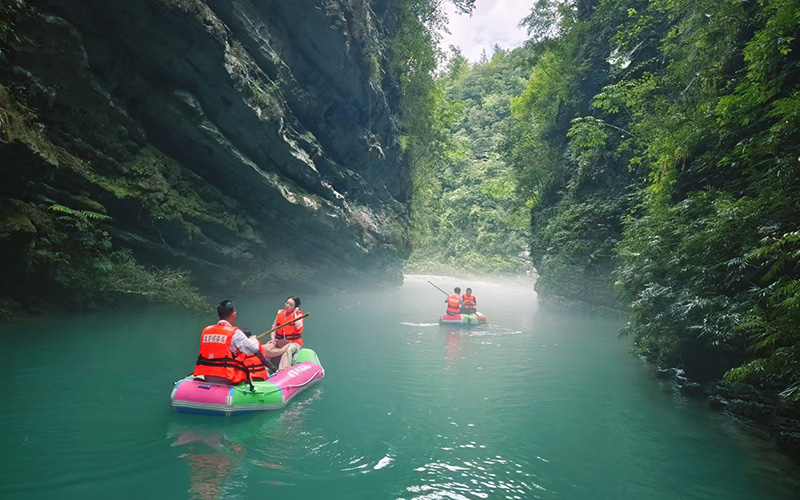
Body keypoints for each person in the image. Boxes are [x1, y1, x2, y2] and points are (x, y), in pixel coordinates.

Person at [193, 300, 283, 384]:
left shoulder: (206, 330)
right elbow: (253, 349)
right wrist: (253, 340)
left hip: (207, 376)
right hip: (226, 377)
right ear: (234, 314)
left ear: (218, 315)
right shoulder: (235, 332)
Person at [268, 296, 305, 370]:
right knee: (267, 348)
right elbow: (274, 327)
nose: (287, 305)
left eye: (291, 305)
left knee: (288, 349)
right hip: (279, 341)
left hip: (293, 342)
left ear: (295, 307)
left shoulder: (299, 315)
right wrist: (273, 339)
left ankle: (283, 370)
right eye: (287, 303)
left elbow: (298, 326)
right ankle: (265, 370)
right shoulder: (280, 313)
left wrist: (295, 313)